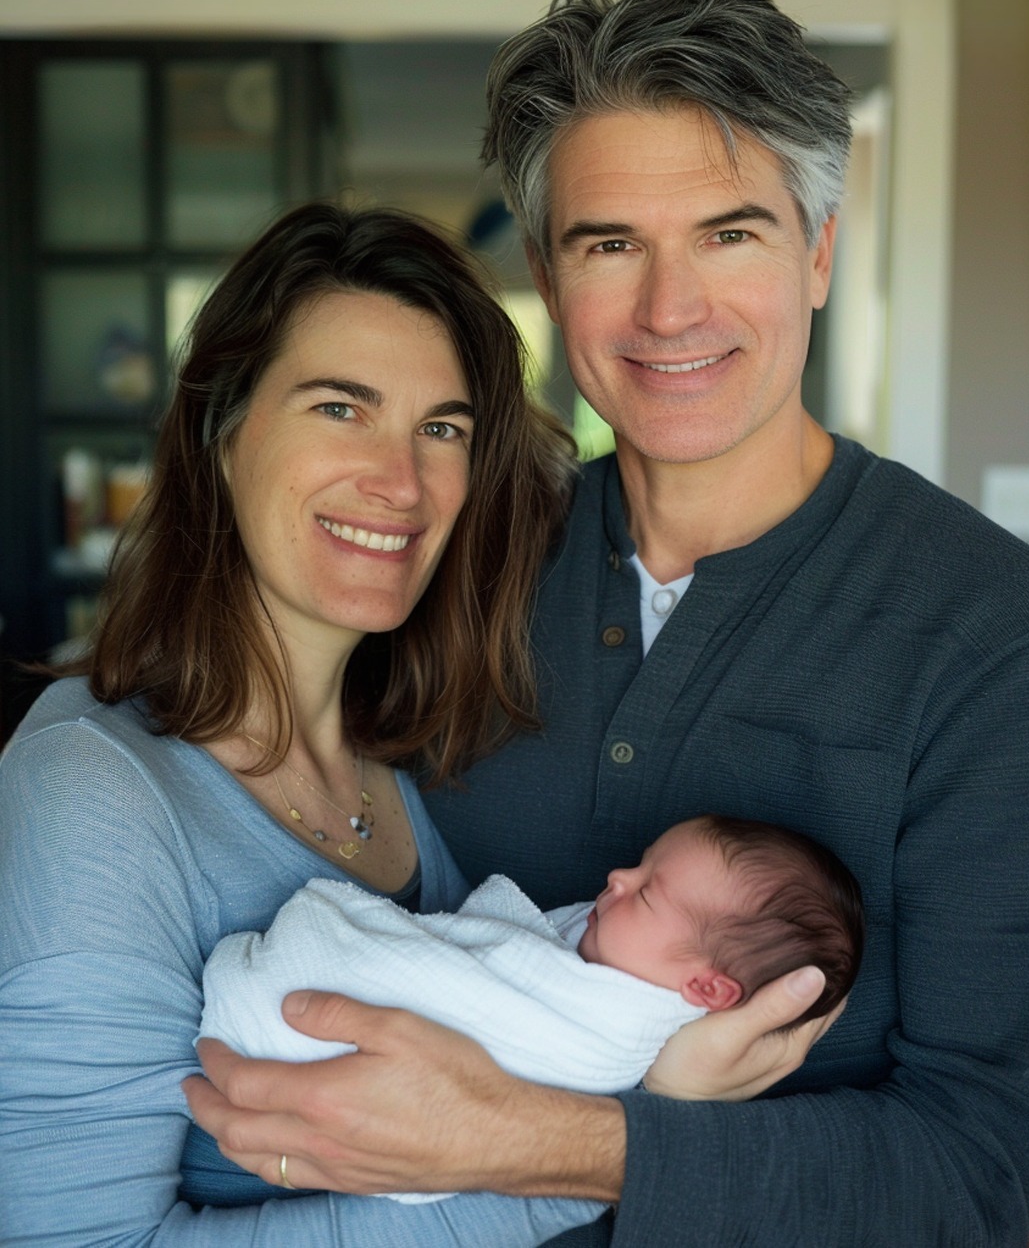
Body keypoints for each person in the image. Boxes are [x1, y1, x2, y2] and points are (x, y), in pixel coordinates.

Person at [185, 0, 1029, 1247]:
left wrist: (542, 1142)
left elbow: (975, 1172)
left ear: (819, 254)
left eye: (731, 233)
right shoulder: (462, 553)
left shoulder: (1000, 644)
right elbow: (252, 718)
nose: (670, 308)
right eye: (612, 243)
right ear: (551, 283)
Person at [0, 201, 618, 1245]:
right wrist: (569, 1170)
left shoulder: (423, 760)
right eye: (340, 408)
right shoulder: (92, 788)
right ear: (223, 434)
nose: (402, 482)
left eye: (442, 429)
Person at [199, 815, 864, 1108]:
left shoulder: (611, 1032)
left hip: (292, 1029)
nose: (618, 877)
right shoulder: (607, 947)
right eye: (639, 865)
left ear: (707, 989)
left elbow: (506, 1033)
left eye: (645, 891)